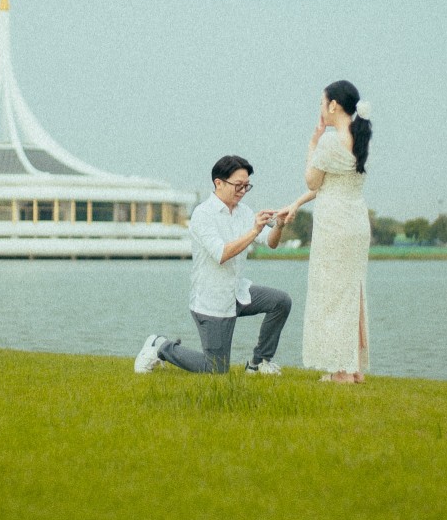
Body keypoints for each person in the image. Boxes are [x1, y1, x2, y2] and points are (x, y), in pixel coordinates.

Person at [135, 155, 292, 375]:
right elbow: (222, 254)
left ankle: (259, 363)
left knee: (280, 301)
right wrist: (254, 230)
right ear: (219, 183)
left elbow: (271, 243)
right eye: (238, 185)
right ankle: (160, 345)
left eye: (247, 186)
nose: (243, 191)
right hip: (211, 301)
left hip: (237, 293)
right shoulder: (203, 214)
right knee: (216, 370)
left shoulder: (244, 212)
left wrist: (279, 226)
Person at [280, 80, 372, 383]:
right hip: (355, 222)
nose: (320, 108)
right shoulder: (358, 138)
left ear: (333, 105)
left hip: (335, 224)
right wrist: (296, 203)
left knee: (333, 294)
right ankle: (353, 367)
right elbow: (329, 184)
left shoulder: (331, 141)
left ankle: (340, 371)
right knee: (351, 292)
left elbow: (312, 180)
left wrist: (312, 143)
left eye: (322, 102)